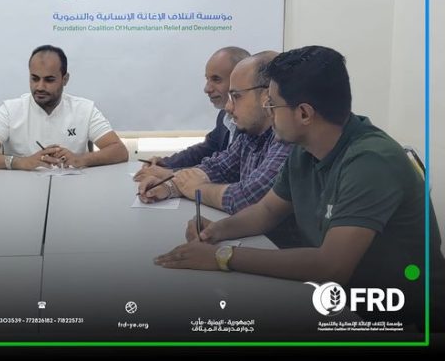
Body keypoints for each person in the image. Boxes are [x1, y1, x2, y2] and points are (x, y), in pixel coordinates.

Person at [154, 46, 445, 331]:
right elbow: (266, 211)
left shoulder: (371, 160)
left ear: (304, 113)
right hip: (341, 305)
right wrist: (215, 231)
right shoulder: (305, 148)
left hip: (407, 322)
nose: (268, 113)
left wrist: (223, 257)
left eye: (272, 105)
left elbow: (331, 266)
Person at [138, 51, 291, 215]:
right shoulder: (251, 133)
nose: (228, 107)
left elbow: (247, 198)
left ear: (267, 96)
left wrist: (196, 189)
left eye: (236, 96)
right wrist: (171, 185)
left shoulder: (288, 137)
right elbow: (218, 168)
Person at [0, 45, 128, 170]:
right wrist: (20, 162)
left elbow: (119, 151)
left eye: (49, 80)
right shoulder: (10, 110)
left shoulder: (85, 109)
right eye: (34, 78)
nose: (40, 87)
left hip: (74, 191)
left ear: (65, 79)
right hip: (21, 192)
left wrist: (81, 159)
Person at [135, 46, 250, 181]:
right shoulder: (224, 115)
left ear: (240, 80)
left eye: (216, 79)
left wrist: (170, 173)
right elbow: (206, 149)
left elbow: (229, 171)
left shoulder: (251, 123)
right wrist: (166, 164)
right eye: (207, 79)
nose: (207, 89)